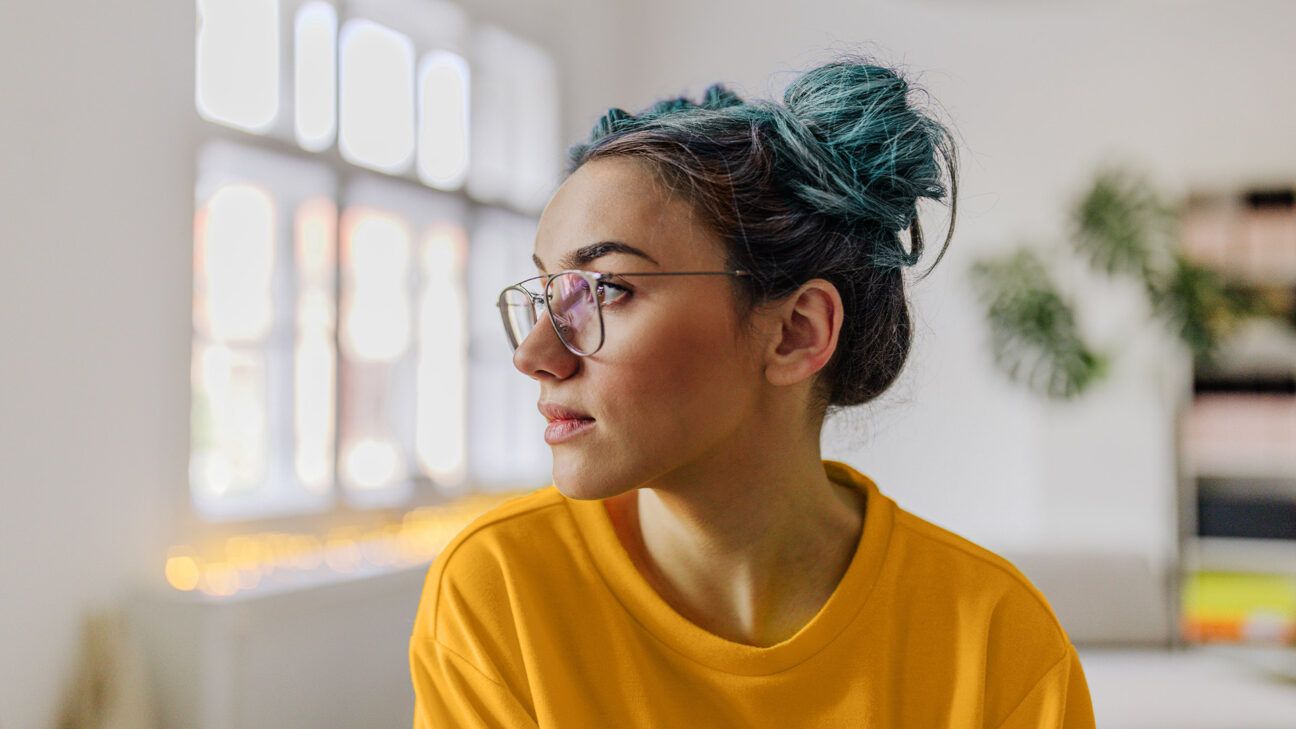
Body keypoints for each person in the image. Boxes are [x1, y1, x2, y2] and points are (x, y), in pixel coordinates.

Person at [409, 55, 1096, 728]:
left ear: (796, 332)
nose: (534, 354)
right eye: (548, 292)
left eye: (610, 289)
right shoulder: (501, 593)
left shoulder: (995, 640)